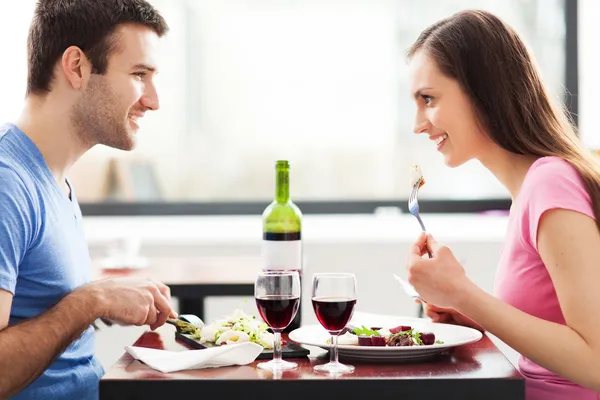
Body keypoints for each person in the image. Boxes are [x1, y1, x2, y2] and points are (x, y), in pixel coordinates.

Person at [404, 9, 600, 400]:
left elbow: (596, 363)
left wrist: (462, 293)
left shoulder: (550, 182)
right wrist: (469, 313)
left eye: (429, 99)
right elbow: (553, 334)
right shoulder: (531, 189)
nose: (418, 123)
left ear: (482, 91)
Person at [0, 1, 176, 399]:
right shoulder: (7, 184)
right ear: (77, 67)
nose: (153, 100)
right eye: (138, 75)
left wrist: (106, 302)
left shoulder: (53, 178)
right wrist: (92, 301)